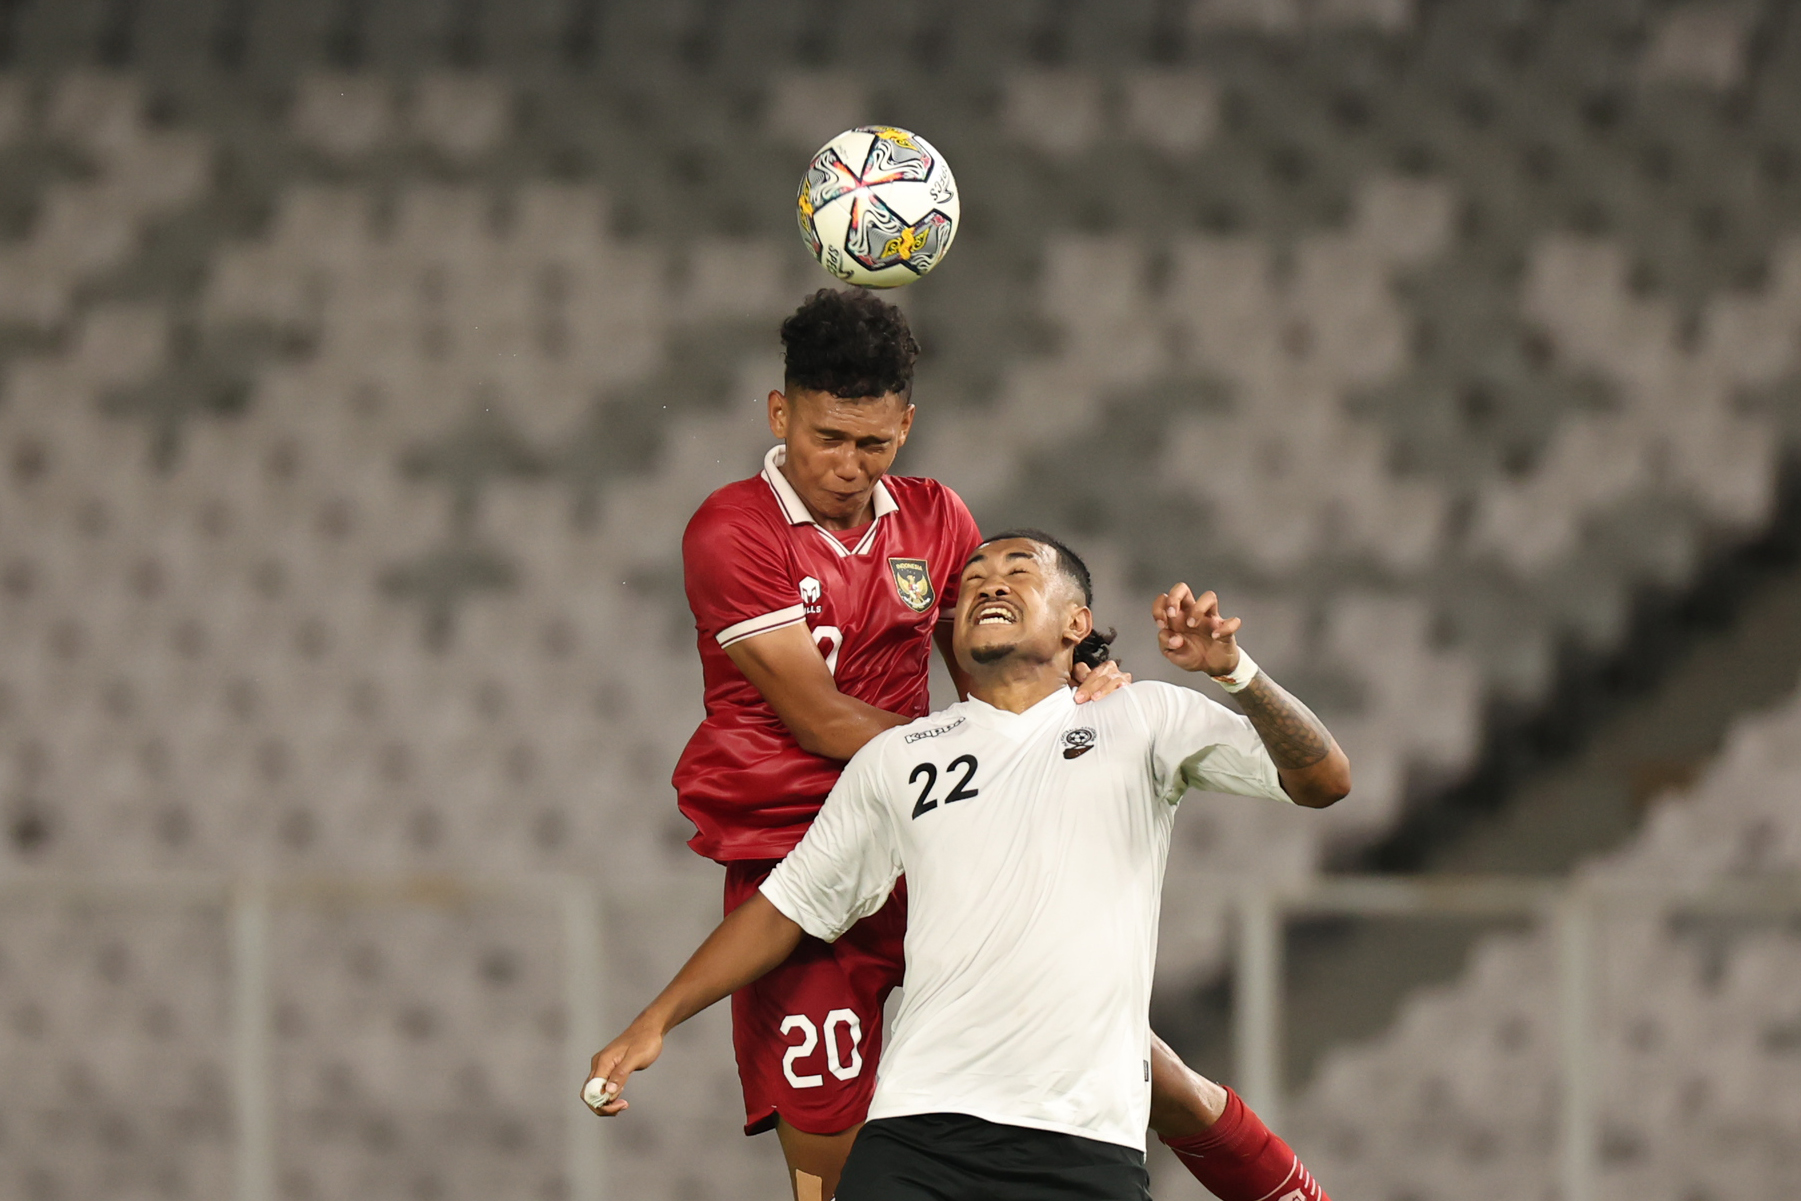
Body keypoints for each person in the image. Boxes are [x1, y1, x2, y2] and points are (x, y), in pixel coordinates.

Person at [668, 288, 1329, 1200]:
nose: (849, 466)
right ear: (780, 415)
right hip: (794, 846)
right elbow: (819, 717)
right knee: (828, 1160)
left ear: (905, 425)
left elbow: (992, 674)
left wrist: (1076, 688)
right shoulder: (733, 528)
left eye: (873, 443)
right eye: (827, 439)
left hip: (940, 833)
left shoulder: (938, 520)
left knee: (1137, 1065)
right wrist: (979, 756)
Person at [589, 531, 1350, 1201]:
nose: (988, 584)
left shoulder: (1143, 716)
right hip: (918, 1132)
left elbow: (1325, 781)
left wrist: (1236, 673)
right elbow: (788, 905)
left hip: (1082, 1140)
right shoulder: (898, 757)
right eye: (974, 578)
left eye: (1019, 571)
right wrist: (654, 1020)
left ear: (1076, 623)